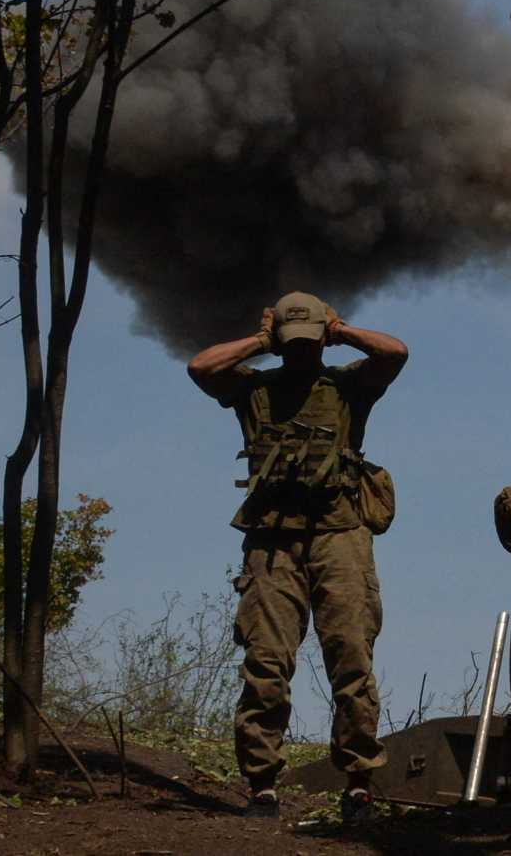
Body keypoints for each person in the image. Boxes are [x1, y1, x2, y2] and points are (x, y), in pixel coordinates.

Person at [187, 291, 407, 822]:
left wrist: (344, 330)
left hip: (341, 534)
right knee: (266, 662)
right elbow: (200, 367)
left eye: (311, 341)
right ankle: (262, 784)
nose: (302, 352)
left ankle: (358, 782)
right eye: (294, 342)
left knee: (351, 657)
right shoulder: (253, 389)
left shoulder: (349, 385)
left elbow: (396, 353)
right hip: (271, 538)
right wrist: (262, 340)